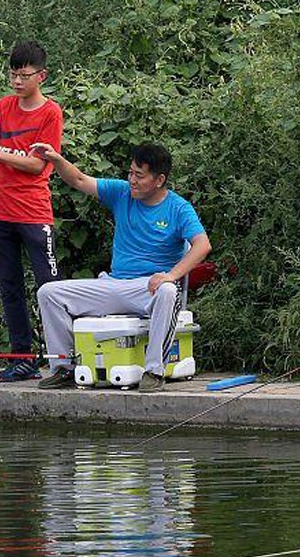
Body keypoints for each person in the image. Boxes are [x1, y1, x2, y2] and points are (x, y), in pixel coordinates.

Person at [30, 141, 211, 393]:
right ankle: (65, 368)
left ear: (159, 180)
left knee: (169, 291)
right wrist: (56, 159)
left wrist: (171, 275)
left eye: (139, 175)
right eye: (130, 173)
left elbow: (202, 245)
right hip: (113, 285)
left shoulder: (178, 208)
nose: (132, 180)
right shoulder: (121, 192)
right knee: (49, 293)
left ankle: (154, 371)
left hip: (148, 289)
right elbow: (80, 180)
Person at [0, 41, 64, 383]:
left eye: (24, 75)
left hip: (34, 213)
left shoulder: (51, 113)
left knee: (50, 289)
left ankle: (64, 359)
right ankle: (23, 359)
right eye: (12, 75)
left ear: (41, 76)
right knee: (10, 288)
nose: (17, 81)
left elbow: (38, 164)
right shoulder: (3, 106)